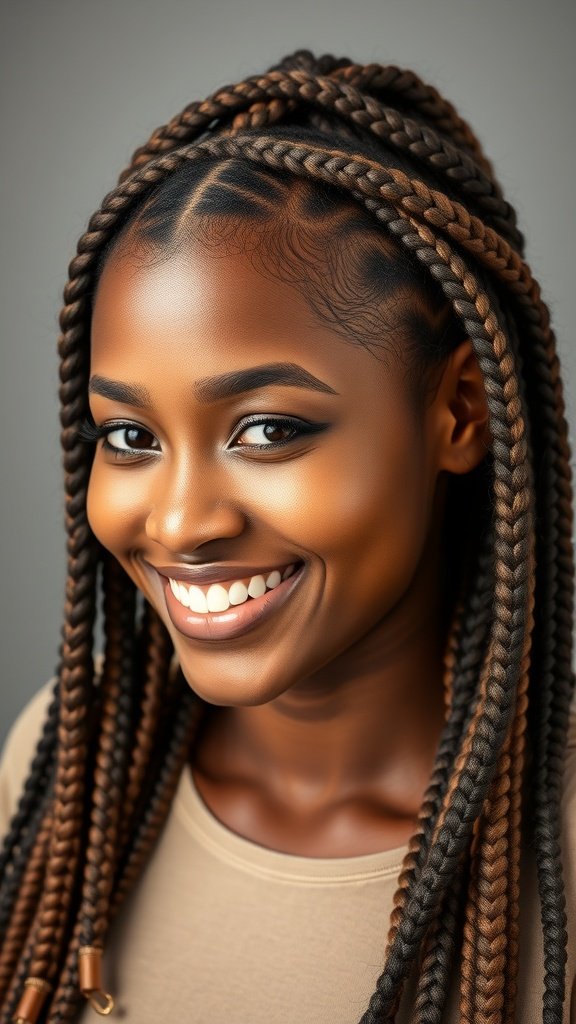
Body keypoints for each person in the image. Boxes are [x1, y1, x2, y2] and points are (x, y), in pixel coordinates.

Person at [0, 47, 574, 1024]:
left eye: (268, 429)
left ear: (461, 417)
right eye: (130, 437)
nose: (180, 520)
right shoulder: (63, 769)